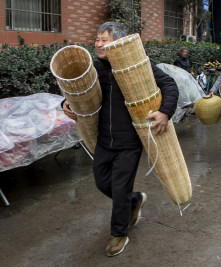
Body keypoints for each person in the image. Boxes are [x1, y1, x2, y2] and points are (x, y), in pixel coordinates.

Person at [61, 22, 179, 257]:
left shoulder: (139, 66)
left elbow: (169, 84)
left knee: (119, 186)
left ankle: (118, 233)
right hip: (104, 140)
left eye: (105, 39)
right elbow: (73, 90)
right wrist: (64, 103)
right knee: (102, 182)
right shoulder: (93, 69)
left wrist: (165, 111)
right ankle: (134, 200)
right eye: (97, 39)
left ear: (120, 42)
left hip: (129, 142)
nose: (99, 43)